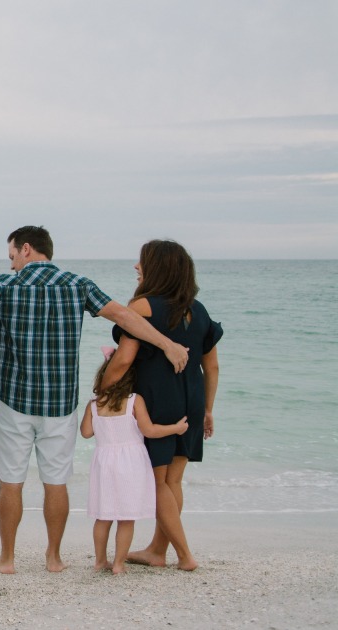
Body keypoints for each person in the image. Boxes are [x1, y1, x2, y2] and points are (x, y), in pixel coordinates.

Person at [0, 226, 189, 574]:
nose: (12, 263)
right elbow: (125, 316)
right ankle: (54, 558)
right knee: (56, 481)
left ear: (27, 249)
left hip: (14, 401)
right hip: (61, 405)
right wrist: (167, 344)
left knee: (11, 481)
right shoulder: (78, 284)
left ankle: (7, 559)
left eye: (13, 255)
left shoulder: (2, 286)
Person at [102, 239, 223, 571]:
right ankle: (158, 550)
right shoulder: (198, 310)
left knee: (158, 482)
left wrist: (102, 388)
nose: (136, 267)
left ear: (156, 267)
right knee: (172, 481)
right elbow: (211, 366)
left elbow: (125, 359)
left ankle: (185, 556)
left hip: (158, 400)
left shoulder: (143, 306)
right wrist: (208, 409)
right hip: (192, 400)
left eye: (141, 261)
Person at [81, 347, 188, 575]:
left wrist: (94, 413)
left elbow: (86, 432)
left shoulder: (95, 404)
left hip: (104, 462)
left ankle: (100, 561)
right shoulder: (134, 401)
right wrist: (176, 428)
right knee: (126, 517)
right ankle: (118, 564)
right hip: (130, 463)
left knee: (103, 515)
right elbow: (149, 430)